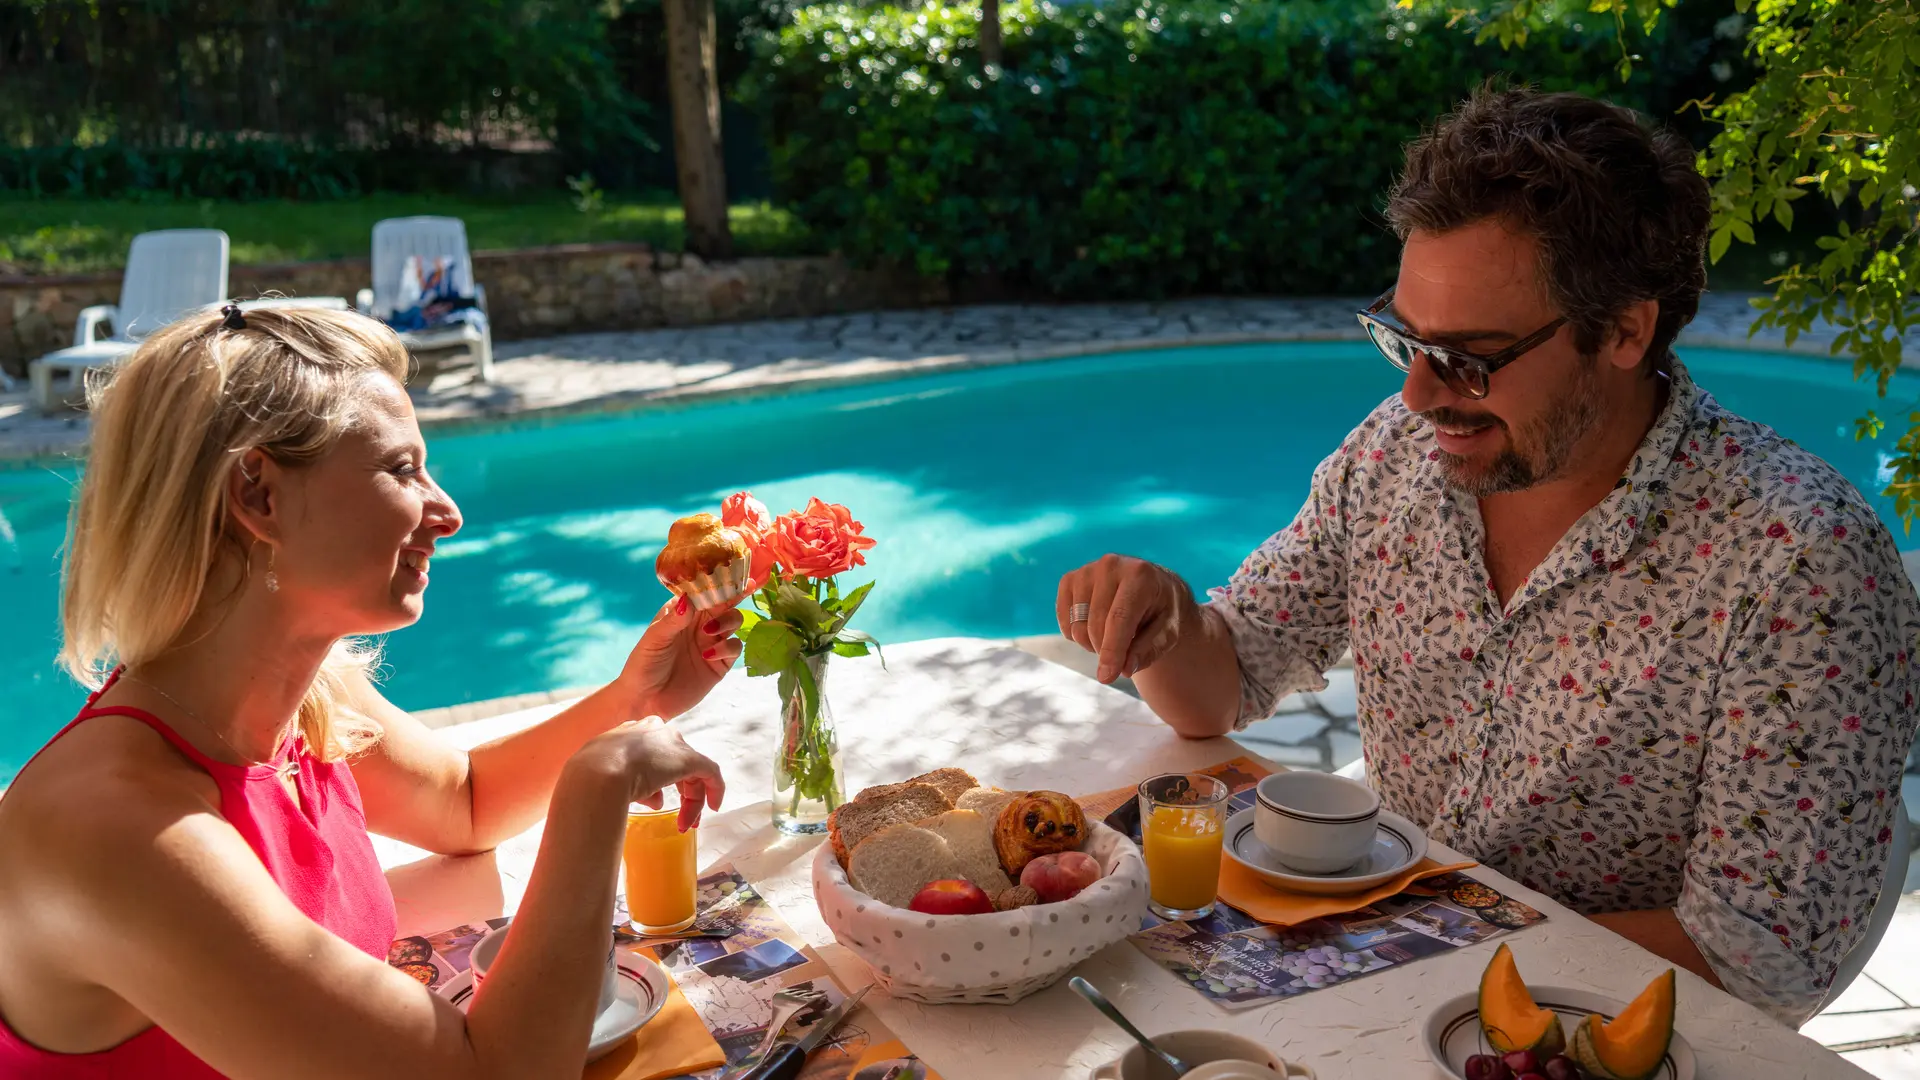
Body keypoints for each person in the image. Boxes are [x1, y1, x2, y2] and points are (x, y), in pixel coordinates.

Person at [1056, 86, 1920, 1026]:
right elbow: (1222, 688)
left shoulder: (1800, 565)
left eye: (1468, 358)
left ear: (1627, 329)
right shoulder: (1394, 459)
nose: (1421, 396)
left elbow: (1755, 958)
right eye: (1404, 340)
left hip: (1588, 1028)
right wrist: (1172, 621)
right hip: (1375, 968)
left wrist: (1405, 956)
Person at [0, 304, 741, 1077]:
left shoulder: (308, 702)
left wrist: (634, 699)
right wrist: (604, 780)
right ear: (258, 495)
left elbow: (466, 802)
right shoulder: (117, 832)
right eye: (401, 469)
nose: (446, 512)